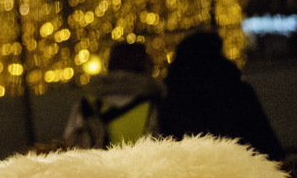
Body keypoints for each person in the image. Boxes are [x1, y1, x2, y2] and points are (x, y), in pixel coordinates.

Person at [155, 31, 284, 160]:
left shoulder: (173, 99)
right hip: (243, 168)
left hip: (192, 172)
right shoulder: (237, 92)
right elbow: (264, 140)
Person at [62, 42, 162, 148]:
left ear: (110, 65)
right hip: (142, 163)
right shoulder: (156, 106)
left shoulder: (86, 106)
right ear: (146, 66)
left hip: (96, 164)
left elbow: (70, 146)